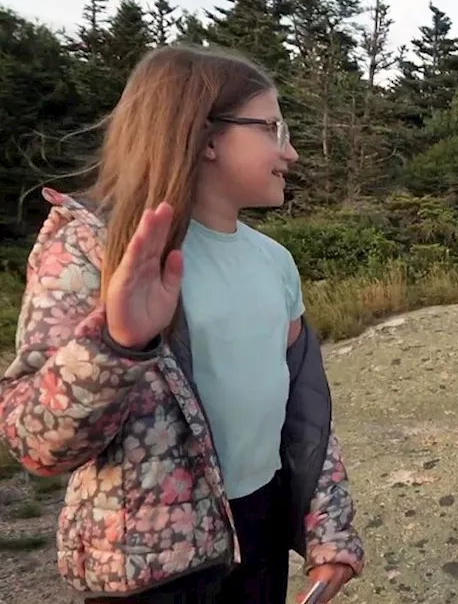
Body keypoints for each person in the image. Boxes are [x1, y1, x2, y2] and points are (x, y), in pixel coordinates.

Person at [0, 44, 364, 603]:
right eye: (272, 128)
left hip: (259, 534)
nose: (289, 152)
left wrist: (330, 526)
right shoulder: (94, 249)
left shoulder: (274, 261)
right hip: (150, 567)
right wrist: (117, 345)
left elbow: (304, 408)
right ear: (206, 136)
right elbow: (38, 445)